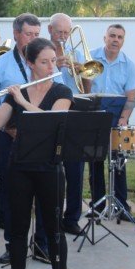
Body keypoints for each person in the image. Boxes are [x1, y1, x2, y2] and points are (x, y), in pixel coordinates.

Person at [0, 37, 73, 269]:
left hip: (50, 167)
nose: (50, 66)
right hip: (19, 167)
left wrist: (22, 101)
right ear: (30, 64)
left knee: (54, 226)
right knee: (18, 226)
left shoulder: (61, 92)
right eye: (44, 62)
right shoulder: (16, 93)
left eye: (53, 61)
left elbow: (50, 121)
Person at [0, 13, 48, 264]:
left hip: (41, 138)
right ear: (16, 34)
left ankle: (43, 244)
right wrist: (6, 129)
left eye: (37, 34)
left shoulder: (48, 63)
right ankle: (12, 245)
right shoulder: (1, 64)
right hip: (9, 136)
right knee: (11, 193)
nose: (33, 39)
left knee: (44, 192)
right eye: (28, 34)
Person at [87, 24, 135, 217]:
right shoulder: (91, 58)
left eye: (119, 37)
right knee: (95, 163)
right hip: (94, 119)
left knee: (119, 164)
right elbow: (84, 87)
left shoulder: (128, 64)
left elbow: (131, 95)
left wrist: (124, 119)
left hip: (117, 120)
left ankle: (121, 207)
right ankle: (97, 205)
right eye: (112, 36)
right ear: (105, 38)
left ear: (123, 41)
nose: (115, 40)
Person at [47, 13, 86, 235]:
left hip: (74, 114)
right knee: (52, 170)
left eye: (66, 32)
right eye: (58, 32)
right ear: (50, 30)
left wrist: (83, 72)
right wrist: (55, 66)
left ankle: (72, 217)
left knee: (75, 169)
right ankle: (50, 217)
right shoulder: (42, 51)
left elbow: (86, 88)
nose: (62, 36)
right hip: (52, 114)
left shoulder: (77, 53)